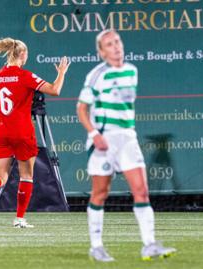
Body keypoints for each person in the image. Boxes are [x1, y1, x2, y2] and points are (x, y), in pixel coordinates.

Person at [76, 29, 176, 262]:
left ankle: (149, 245)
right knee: (100, 193)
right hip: (103, 139)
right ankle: (96, 246)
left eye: (117, 41)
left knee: (141, 191)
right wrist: (94, 134)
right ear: (101, 52)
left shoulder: (132, 70)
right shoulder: (96, 75)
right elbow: (81, 109)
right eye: (109, 44)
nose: (116, 47)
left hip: (127, 139)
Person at [0, 35, 70, 228]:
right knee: (26, 176)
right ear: (22, 54)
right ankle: (19, 219)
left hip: (0, 132)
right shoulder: (26, 76)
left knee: (0, 177)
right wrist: (62, 73)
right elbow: (55, 90)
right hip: (22, 132)